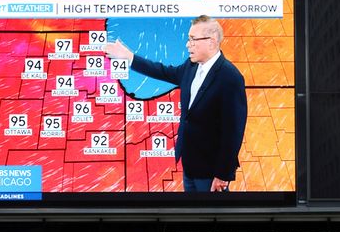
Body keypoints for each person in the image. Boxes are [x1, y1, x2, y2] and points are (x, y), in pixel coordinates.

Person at [104, 16, 247, 193]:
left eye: (193, 39)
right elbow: (163, 71)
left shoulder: (230, 78)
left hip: (211, 172)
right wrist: (130, 57)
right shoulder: (191, 66)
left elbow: (233, 132)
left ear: (211, 42)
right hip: (190, 163)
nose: (188, 44)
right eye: (189, 39)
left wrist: (223, 174)